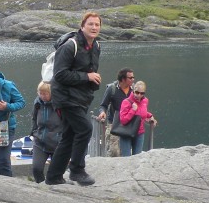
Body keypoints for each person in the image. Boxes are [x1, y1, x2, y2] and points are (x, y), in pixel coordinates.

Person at [45, 11, 102, 186]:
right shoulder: (70, 46)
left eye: (97, 24)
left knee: (69, 136)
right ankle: (77, 170)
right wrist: (88, 77)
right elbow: (60, 75)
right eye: (90, 24)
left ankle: (53, 177)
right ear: (82, 26)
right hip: (65, 98)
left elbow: (89, 71)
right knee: (85, 129)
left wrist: (92, 81)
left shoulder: (96, 46)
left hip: (81, 98)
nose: (94, 27)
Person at [97, 68, 134, 157]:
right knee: (113, 152)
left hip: (129, 125)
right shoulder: (112, 89)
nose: (133, 79)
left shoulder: (134, 90)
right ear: (123, 79)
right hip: (114, 124)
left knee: (126, 151)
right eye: (130, 78)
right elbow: (103, 105)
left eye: (133, 77)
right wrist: (102, 112)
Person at [30, 81, 61, 184]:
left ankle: (56, 189)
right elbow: (34, 119)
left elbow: (67, 122)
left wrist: (62, 137)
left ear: (51, 93)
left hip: (56, 143)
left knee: (55, 172)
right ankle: (42, 188)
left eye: (45, 93)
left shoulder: (59, 104)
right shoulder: (37, 104)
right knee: (36, 169)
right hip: (40, 142)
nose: (42, 96)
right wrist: (34, 132)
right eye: (40, 93)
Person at [116, 79, 156, 156]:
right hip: (126, 132)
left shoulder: (145, 101)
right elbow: (123, 120)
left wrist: (150, 116)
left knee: (137, 158)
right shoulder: (126, 102)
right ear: (133, 90)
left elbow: (142, 112)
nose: (139, 95)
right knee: (126, 159)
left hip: (140, 133)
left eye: (142, 93)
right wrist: (133, 110)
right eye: (137, 92)